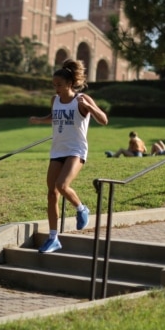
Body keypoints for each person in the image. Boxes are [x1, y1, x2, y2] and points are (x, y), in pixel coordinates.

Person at [29, 59, 108, 253]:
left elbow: (104, 120)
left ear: (70, 84)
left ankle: (81, 209)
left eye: (60, 85)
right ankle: (53, 238)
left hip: (76, 150)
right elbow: (54, 116)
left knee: (62, 185)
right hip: (57, 150)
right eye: (54, 85)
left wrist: (90, 108)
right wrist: (40, 120)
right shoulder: (54, 100)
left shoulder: (81, 99)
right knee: (52, 193)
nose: (56, 89)